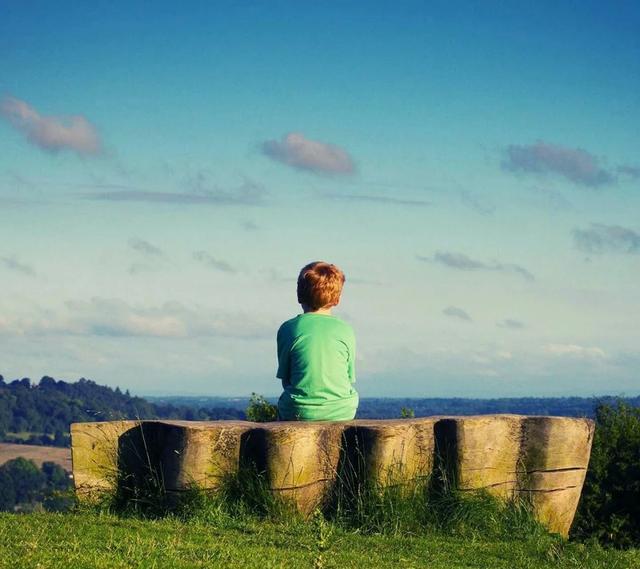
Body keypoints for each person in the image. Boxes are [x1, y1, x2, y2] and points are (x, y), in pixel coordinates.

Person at [276, 261, 358, 421]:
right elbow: (348, 378)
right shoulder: (346, 330)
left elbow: (286, 379)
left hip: (299, 411)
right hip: (342, 410)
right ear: (337, 298)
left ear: (299, 294)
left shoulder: (288, 329)